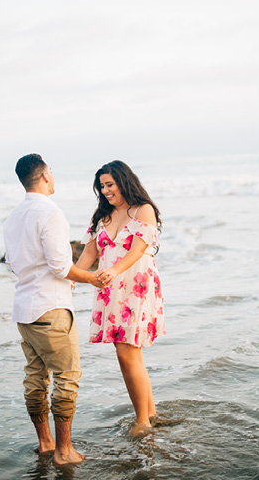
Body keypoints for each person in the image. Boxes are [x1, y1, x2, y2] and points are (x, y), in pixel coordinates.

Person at [2, 154, 102, 466]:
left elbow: (12, 263)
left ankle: (46, 443)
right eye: (52, 172)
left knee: (35, 377)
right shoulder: (50, 212)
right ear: (45, 175)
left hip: (24, 308)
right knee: (67, 376)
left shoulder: (13, 217)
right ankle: (64, 451)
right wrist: (92, 278)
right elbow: (61, 266)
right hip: (51, 309)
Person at [76, 160, 165, 437]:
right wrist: (70, 280)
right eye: (101, 186)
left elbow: (137, 251)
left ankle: (142, 422)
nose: (105, 191)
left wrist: (113, 270)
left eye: (110, 185)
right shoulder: (101, 215)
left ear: (124, 181)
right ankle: (149, 414)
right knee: (130, 353)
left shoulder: (143, 210)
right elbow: (89, 255)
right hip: (110, 289)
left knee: (127, 352)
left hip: (135, 287)